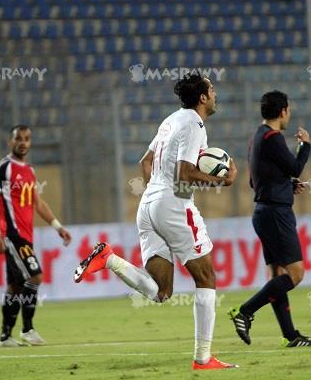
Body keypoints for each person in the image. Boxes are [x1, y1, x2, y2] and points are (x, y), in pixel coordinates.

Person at [74, 73, 239, 370]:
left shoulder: (171, 120)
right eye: (212, 89)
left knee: (161, 292)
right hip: (173, 205)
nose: (215, 94)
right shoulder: (195, 124)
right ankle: (203, 358)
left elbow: (145, 161)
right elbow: (184, 174)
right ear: (202, 97)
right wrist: (221, 179)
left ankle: (109, 259)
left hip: (148, 205)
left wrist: (155, 193)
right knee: (207, 278)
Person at [227, 90, 311, 347]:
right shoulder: (273, 137)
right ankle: (244, 312)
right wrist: (305, 145)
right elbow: (294, 167)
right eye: (288, 110)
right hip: (276, 214)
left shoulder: (257, 138)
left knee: (277, 275)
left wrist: (287, 187)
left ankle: (290, 336)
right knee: (296, 274)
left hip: (264, 212)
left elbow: (254, 180)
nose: (289, 114)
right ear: (283, 112)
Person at [0, 124, 72, 347]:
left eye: (27, 138)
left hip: (26, 235)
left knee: (15, 286)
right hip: (12, 236)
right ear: (10, 142)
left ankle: (5, 336)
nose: (23, 142)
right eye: (18, 138)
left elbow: (38, 203)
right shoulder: (3, 167)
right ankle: (28, 329)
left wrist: (57, 226)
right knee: (35, 277)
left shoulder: (29, 171)